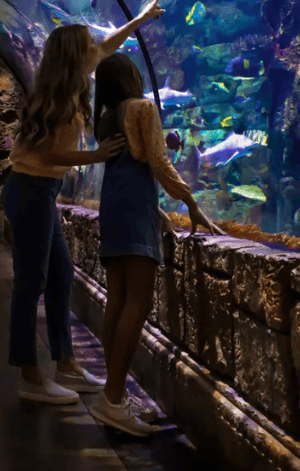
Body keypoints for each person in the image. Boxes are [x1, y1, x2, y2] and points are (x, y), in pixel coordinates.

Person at [4, 0, 165, 405]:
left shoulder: (73, 80)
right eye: (86, 46)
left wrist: (141, 19)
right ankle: (30, 375)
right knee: (31, 282)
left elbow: (109, 45)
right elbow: (46, 155)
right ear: (73, 55)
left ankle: (67, 364)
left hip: (44, 191)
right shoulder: (57, 98)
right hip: (31, 189)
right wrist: (92, 156)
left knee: (60, 274)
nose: (95, 50)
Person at [90, 53, 225, 436]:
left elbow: (123, 170)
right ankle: (113, 398)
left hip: (113, 208)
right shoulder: (142, 108)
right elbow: (159, 163)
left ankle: (111, 396)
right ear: (132, 78)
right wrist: (191, 203)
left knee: (116, 300)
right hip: (133, 209)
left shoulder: (105, 117)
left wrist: (159, 215)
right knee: (138, 301)